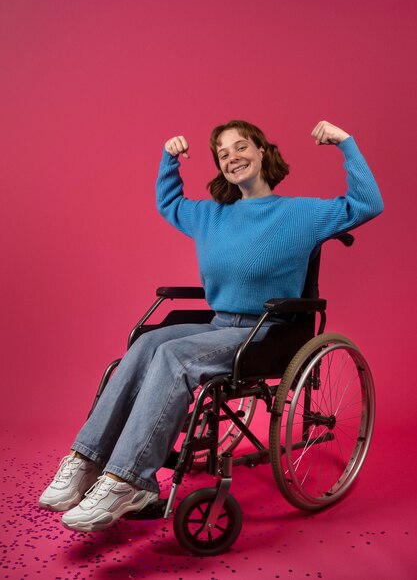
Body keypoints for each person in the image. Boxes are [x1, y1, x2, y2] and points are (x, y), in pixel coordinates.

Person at [39, 119, 384, 532]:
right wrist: (169, 160)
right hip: (219, 324)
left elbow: (367, 204)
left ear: (262, 152)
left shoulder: (302, 213)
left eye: (241, 147)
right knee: (146, 345)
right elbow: (169, 203)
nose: (233, 157)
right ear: (220, 167)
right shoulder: (210, 215)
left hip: (266, 330)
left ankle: (128, 481)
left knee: (172, 355)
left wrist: (345, 143)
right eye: (223, 154)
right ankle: (86, 459)